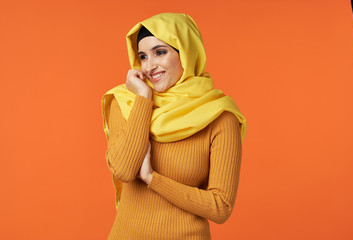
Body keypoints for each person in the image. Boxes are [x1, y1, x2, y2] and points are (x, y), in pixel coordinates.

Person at [101, 13, 247, 239]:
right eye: (143, 56)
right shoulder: (126, 102)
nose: (149, 66)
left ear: (186, 53)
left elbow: (220, 207)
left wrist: (152, 178)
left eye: (160, 52)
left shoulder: (219, 116)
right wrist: (144, 98)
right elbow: (125, 170)